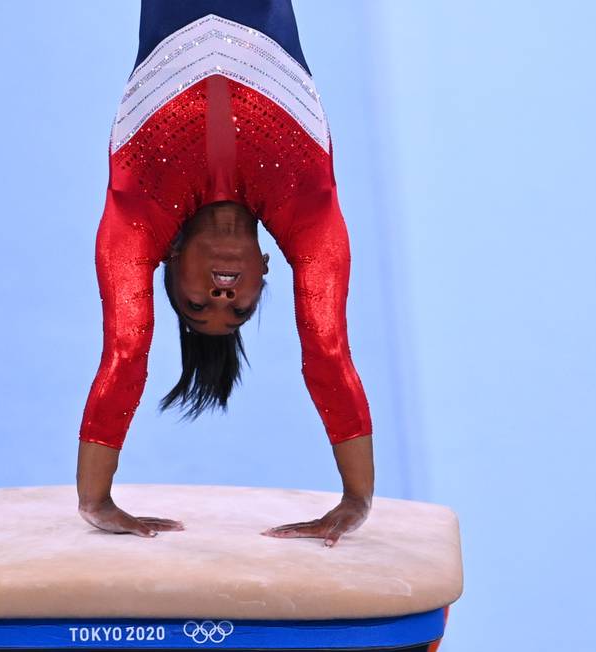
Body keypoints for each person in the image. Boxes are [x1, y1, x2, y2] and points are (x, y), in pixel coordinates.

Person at [76, 0, 374, 547]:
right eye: (237, 310)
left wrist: (95, 500)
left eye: (197, 306)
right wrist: (357, 498)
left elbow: (124, 351)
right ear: (266, 270)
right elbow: (328, 349)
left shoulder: (137, 214)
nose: (220, 294)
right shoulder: (310, 214)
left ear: (163, 261)